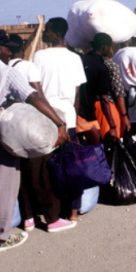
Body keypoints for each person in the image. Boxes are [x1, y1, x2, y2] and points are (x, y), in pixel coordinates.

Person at [0, 30, 68, 252]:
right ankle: (2, 237)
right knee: (5, 187)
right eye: (7, 48)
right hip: (2, 139)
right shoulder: (6, 73)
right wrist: (59, 123)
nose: (10, 53)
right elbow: (34, 97)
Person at [7, 33, 76, 234]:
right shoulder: (28, 67)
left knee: (24, 173)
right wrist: (58, 122)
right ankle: (52, 219)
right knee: (42, 173)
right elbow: (38, 95)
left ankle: (28, 217)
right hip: (32, 126)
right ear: (22, 48)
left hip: (12, 127)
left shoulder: (6, 69)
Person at [33, 17, 86, 223]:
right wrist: (72, 116)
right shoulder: (74, 58)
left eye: (47, 31)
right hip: (68, 117)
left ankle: (49, 210)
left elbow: (36, 90)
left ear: (56, 33)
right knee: (69, 164)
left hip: (45, 116)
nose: (44, 34)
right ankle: (72, 211)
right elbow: (77, 92)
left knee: (46, 165)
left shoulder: (39, 56)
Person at [79, 33, 119, 143]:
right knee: (97, 148)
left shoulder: (81, 59)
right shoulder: (102, 68)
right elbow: (104, 99)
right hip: (87, 114)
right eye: (110, 47)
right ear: (104, 48)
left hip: (74, 110)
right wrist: (112, 126)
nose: (111, 50)